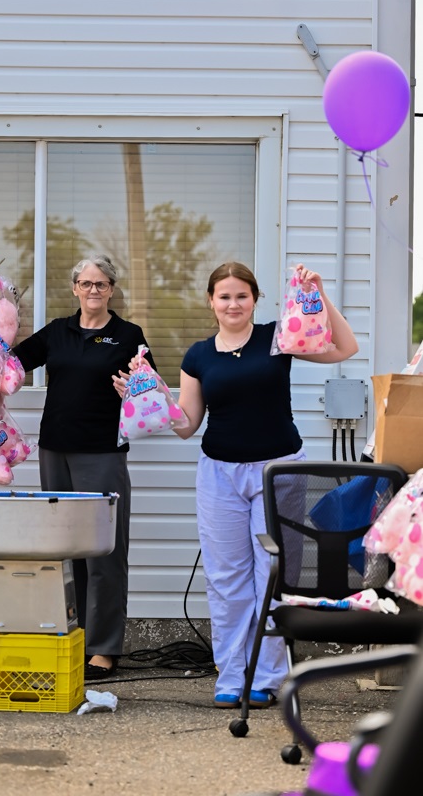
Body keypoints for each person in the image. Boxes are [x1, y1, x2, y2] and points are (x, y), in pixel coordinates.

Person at [171, 261, 359, 709]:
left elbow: (344, 349)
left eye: (241, 295)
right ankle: (232, 674)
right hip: (219, 473)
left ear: (254, 299)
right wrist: (149, 400)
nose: (233, 304)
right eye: (224, 296)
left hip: (279, 469)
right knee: (226, 577)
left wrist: (318, 292)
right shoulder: (198, 355)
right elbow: (186, 424)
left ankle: (268, 677)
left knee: (272, 576)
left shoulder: (279, 336)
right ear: (211, 302)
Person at [12, 254, 155, 679]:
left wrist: (134, 388)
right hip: (55, 450)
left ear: (112, 289)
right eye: (86, 283)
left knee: (105, 553)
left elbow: (152, 393)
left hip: (103, 453)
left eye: (102, 284)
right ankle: (71, 638)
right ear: (74, 287)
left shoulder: (128, 335)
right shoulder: (58, 330)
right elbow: (12, 365)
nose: (94, 291)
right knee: (64, 550)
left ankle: (104, 648)